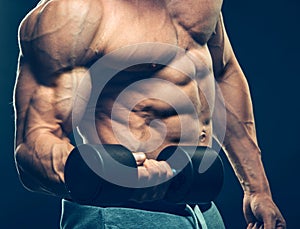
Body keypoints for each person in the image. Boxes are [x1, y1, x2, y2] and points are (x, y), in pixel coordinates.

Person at [13, 0, 286, 228]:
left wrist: (257, 189)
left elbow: (221, 71)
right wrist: (112, 177)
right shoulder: (74, 12)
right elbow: (33, 143)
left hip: (202, 209)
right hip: (121, 217)